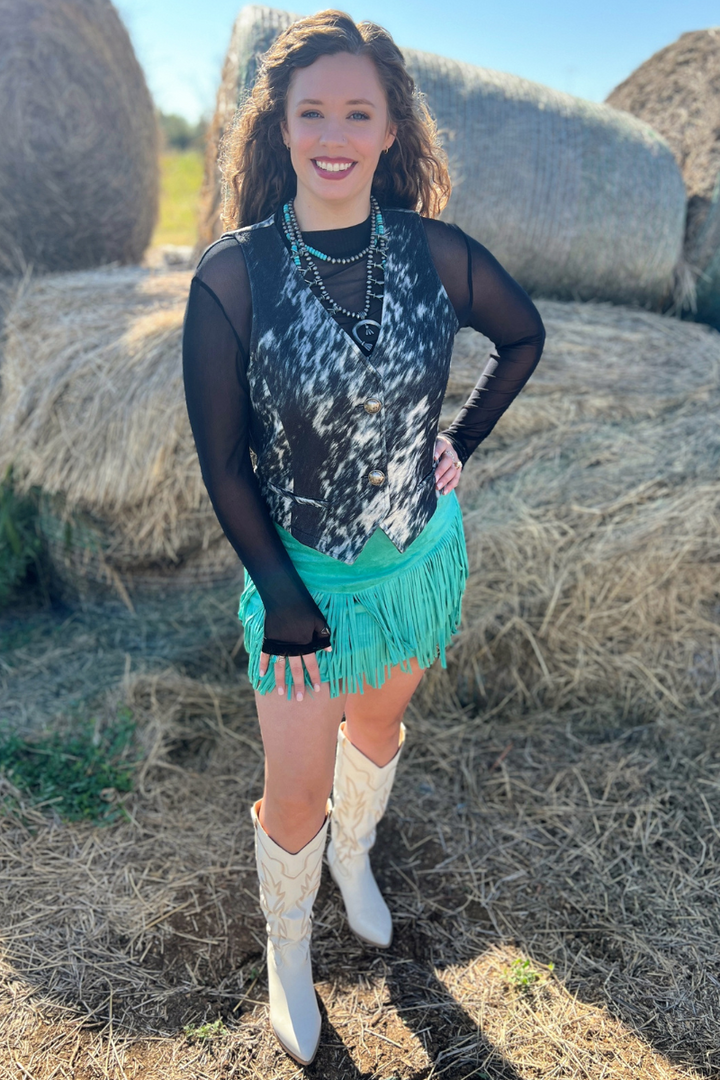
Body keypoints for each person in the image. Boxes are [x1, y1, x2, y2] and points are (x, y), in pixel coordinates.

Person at [182, 9, 545, 1065]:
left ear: (391, 129)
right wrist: (283, 597)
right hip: (298, 575)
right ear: (280, 128)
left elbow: (522, 336)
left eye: (357, 112)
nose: (333, 134)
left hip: (415, 560)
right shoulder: (234, 275)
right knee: (294, 786)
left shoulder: (437, 253)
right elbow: (224, 462)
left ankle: (357, 857)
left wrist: (459, 441)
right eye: (312, 113)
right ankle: (289, 949)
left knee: (378, 728)